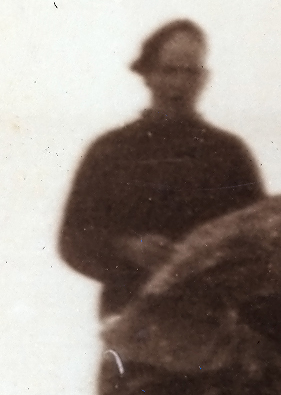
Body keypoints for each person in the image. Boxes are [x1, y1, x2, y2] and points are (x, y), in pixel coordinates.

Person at [57, 20, 267, 322]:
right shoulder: (110, 151)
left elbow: (260, 247)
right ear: (147, 75)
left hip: (211, 330)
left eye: (190, 72)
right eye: (169, 71)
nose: (180, 84)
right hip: (130, 324)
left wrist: (213, 254)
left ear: (204, 78)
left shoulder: (229, 153)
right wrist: (127, 249)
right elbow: (72, 240)